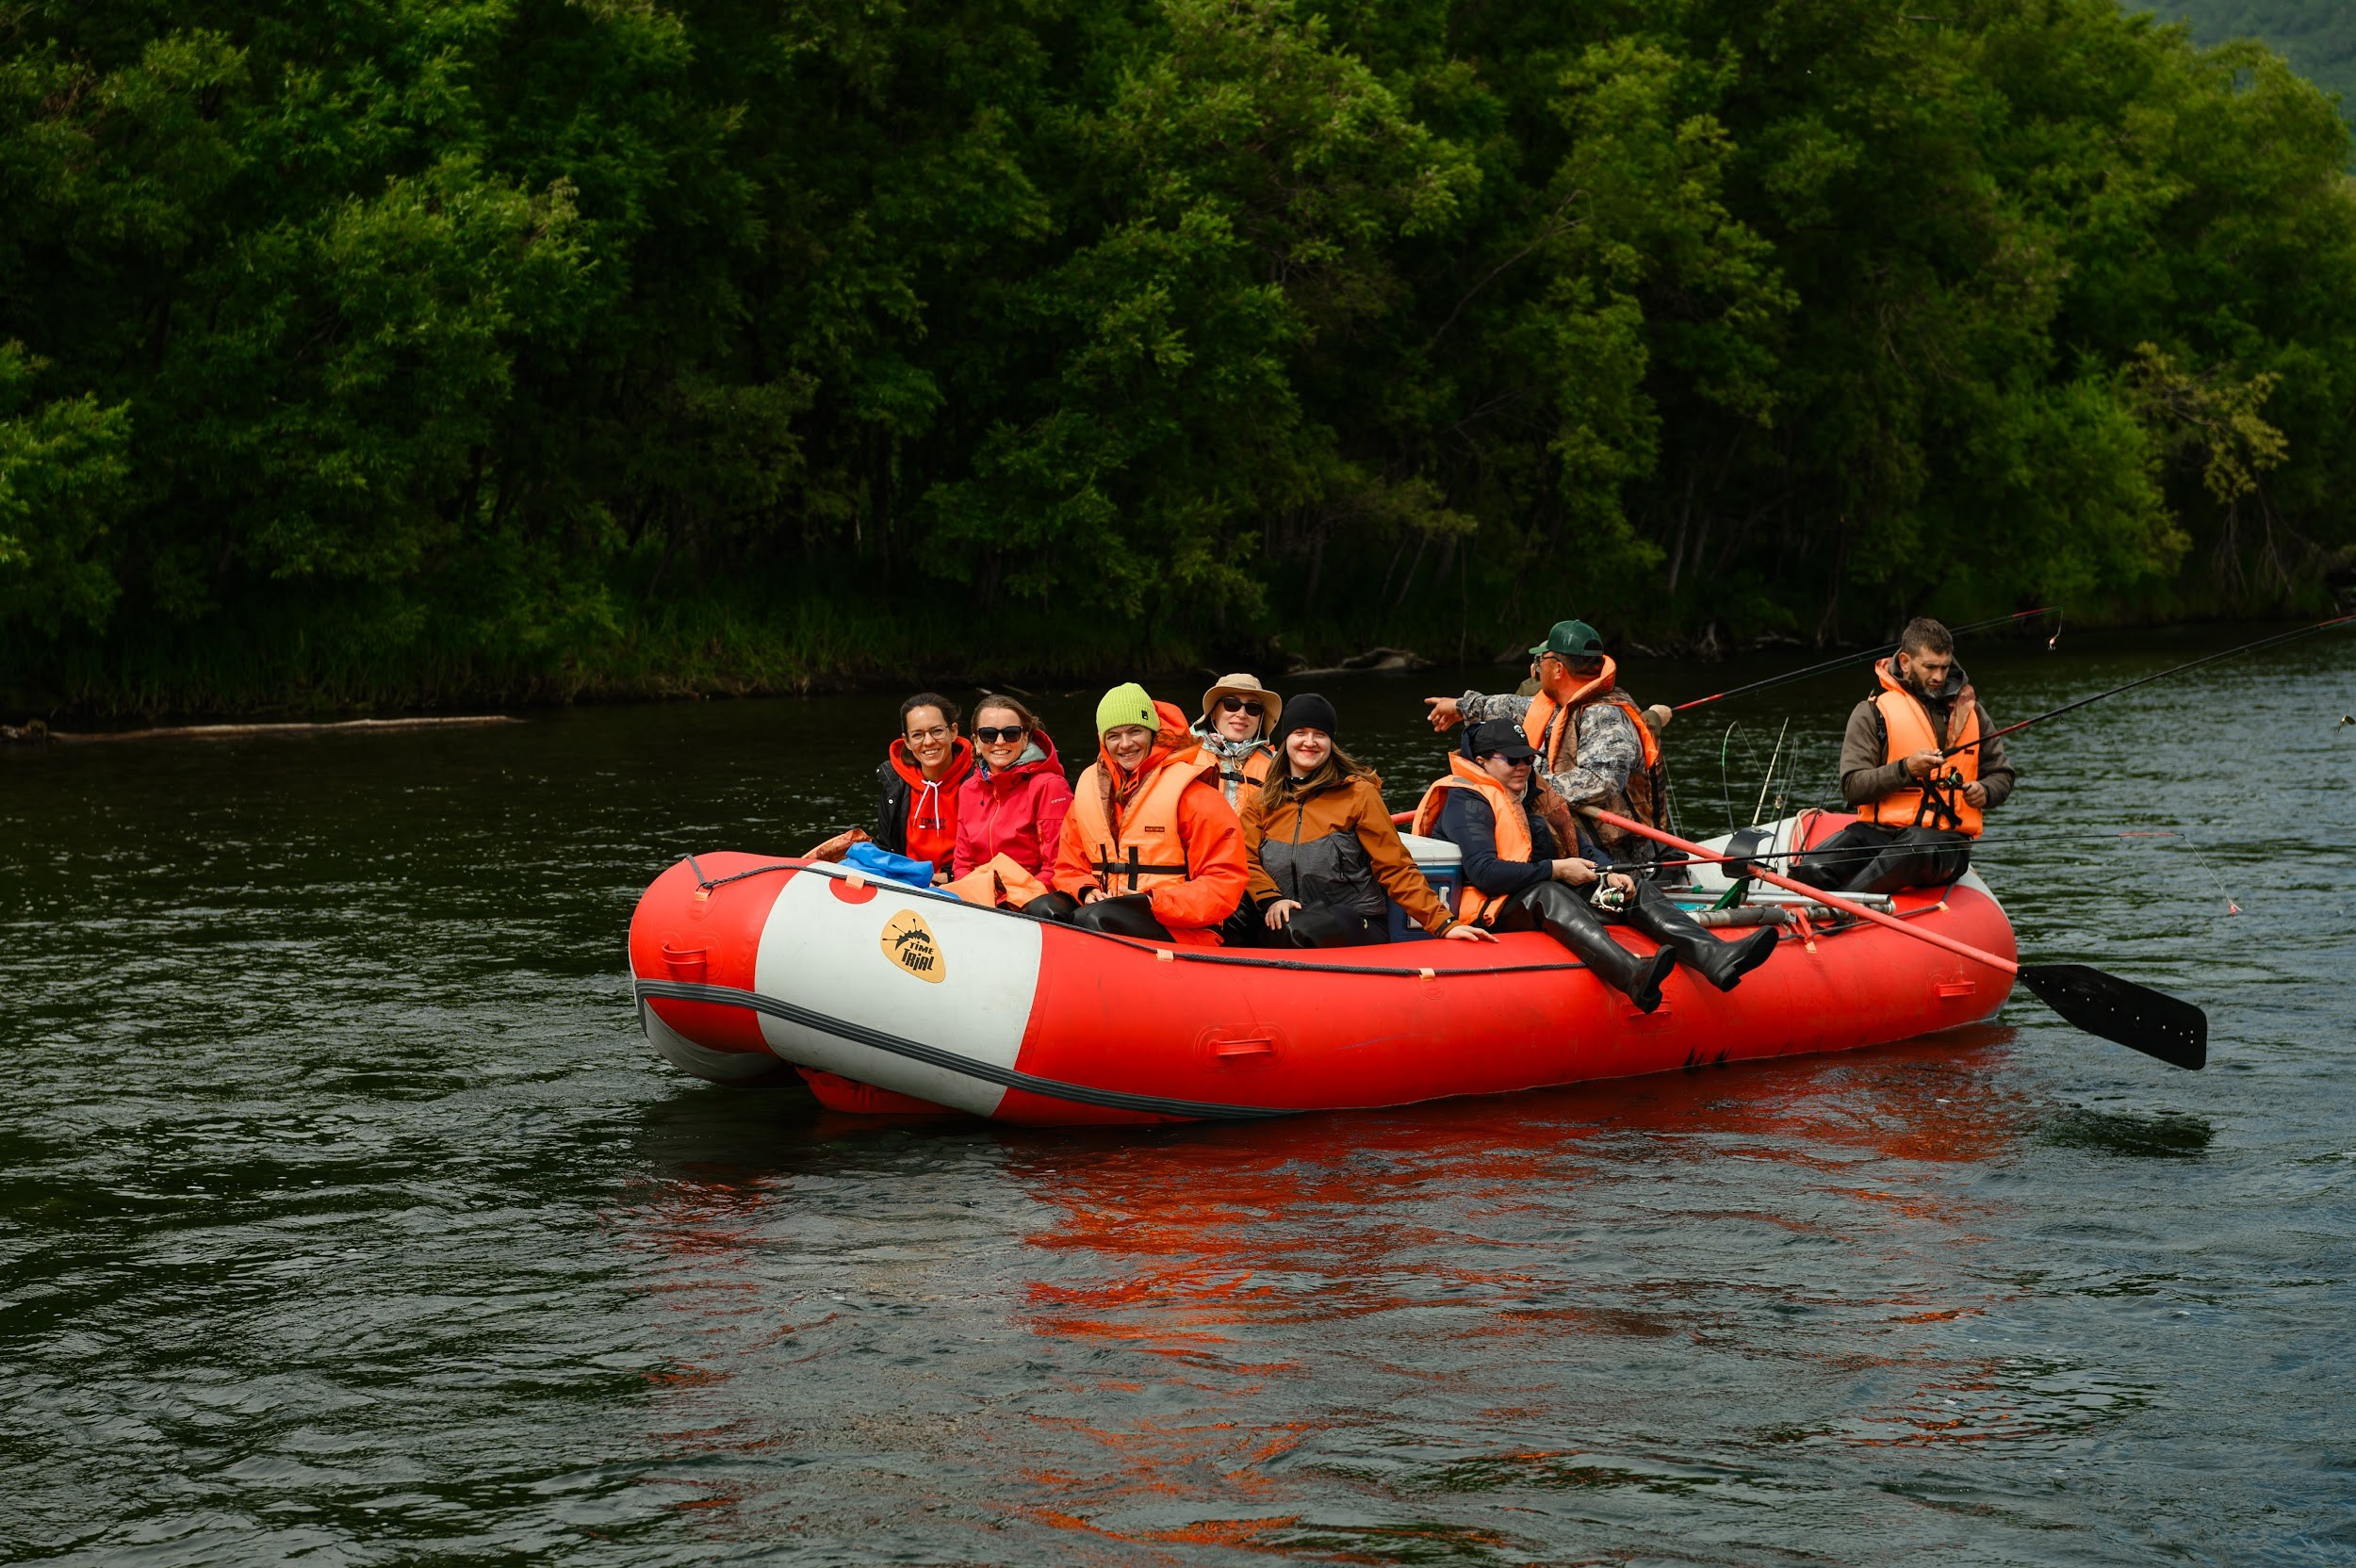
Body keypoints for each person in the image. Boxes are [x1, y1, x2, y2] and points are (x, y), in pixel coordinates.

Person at [1413, 719, 1777, 1011]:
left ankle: (1715, 957)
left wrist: (1609, 872)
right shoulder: (1467, 801)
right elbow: (1484, 874)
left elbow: (1583, 848)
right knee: (1549, 891)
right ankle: (1632, 975)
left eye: (1528, 758)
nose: (1524, 766)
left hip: (1539, 887)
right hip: (1487, 908)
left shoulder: (1534, 793)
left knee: (1634, 887)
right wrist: (1557, 870)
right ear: (1482, 762)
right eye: (1512, 760)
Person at [1240, 694, 1495, 949]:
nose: (1309, 742)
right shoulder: (1261, 802)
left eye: (1320, 734)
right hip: (1284, 919)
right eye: (1300, 732)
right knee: (1258, 922)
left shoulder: (1358, 793)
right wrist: (1271, 900)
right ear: (1286, 740)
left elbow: (1395, 867)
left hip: (1355, 919)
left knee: (1303, 927)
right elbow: (1245, 861)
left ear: (1331, 742)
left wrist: (1445, 923)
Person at [1791, 616, 2016, 895]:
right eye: (1930, 667)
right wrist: (1905, 769)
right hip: (1876, 834)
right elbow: (1852, 788)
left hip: (1944, 843)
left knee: (1913, 849)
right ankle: (1819, 911)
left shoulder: (1972, 713)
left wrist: (1986, 790)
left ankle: (1844, 909)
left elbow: (2002, 775)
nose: (1939, 676)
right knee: (1811, 869)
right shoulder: (1871, 713)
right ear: (1906, 662)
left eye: (1945, 667)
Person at [1424, 619, 1675, 862]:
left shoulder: (1605, 716)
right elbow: (1515, 706)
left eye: (1541, 659)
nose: (1535, 668)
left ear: (1557, 669)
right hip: (1569, 842)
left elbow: (1602, 781)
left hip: (1615, 856)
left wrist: (1522, 787)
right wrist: (1461, 706)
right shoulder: (1561, 704)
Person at [1052, 683, 1249, 945]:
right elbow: (1069, 867)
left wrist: (1152, 902)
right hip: (1103, 909)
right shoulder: (1089, 791)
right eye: (1114, 735)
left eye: (1135, 732)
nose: (1125, 744)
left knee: (1097, 920)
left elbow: (1224, 880)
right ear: (1102, 740)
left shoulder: (1194, 795)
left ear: (1153, 733)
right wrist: (1085, 890)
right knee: (1045, 911)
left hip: (1182, 927)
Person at [951, 694, 1072, 882]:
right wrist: (974, 896)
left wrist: (1010, 899)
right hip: (980, 897)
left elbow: (1057, 866)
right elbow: (963, 864)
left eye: (1011, 733)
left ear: (1025, 738)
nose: (1000, 741)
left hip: (1033, 900)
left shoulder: (1050, 786)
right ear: (976, 741)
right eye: (989, 734)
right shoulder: (968, 789)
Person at [875, 692, 973, 881]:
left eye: (936, 731)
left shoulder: (978, 780)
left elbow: (987, 848)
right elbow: (886, 847)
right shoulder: (894, 783)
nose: (928, 742)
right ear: (907, 742)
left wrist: (948, 877)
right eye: (918, 735)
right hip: (907, 884)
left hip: (960, 884)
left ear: (953, 732)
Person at [1178, 673, 1280, 807]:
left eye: (1252, 708)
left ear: (1260, 718)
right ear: (1213, 712)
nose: (1242, 714)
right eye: (1231, 704)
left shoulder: (1278, 765)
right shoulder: (1182, 756)